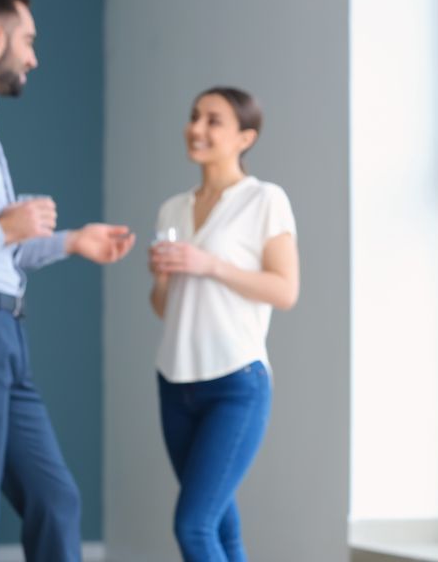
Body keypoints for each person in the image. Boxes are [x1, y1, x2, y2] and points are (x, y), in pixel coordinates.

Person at [0, 0, 136, 562]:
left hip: (2, 334)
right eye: (28, 41)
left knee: (56, 500)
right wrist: (6, 229)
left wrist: (71, 241)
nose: (35, 57)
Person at [148, 87, 299, 561]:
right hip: (174, 382)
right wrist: (163, 277)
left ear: (244, 137)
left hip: (236, 382)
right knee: (222, 530)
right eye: (195, 117)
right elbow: (163, 307)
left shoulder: (264, 200)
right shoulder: (172, 209)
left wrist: (209, 264)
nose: (197, 128)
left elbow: (285, 290)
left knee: (193, 527)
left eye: (214, 120)